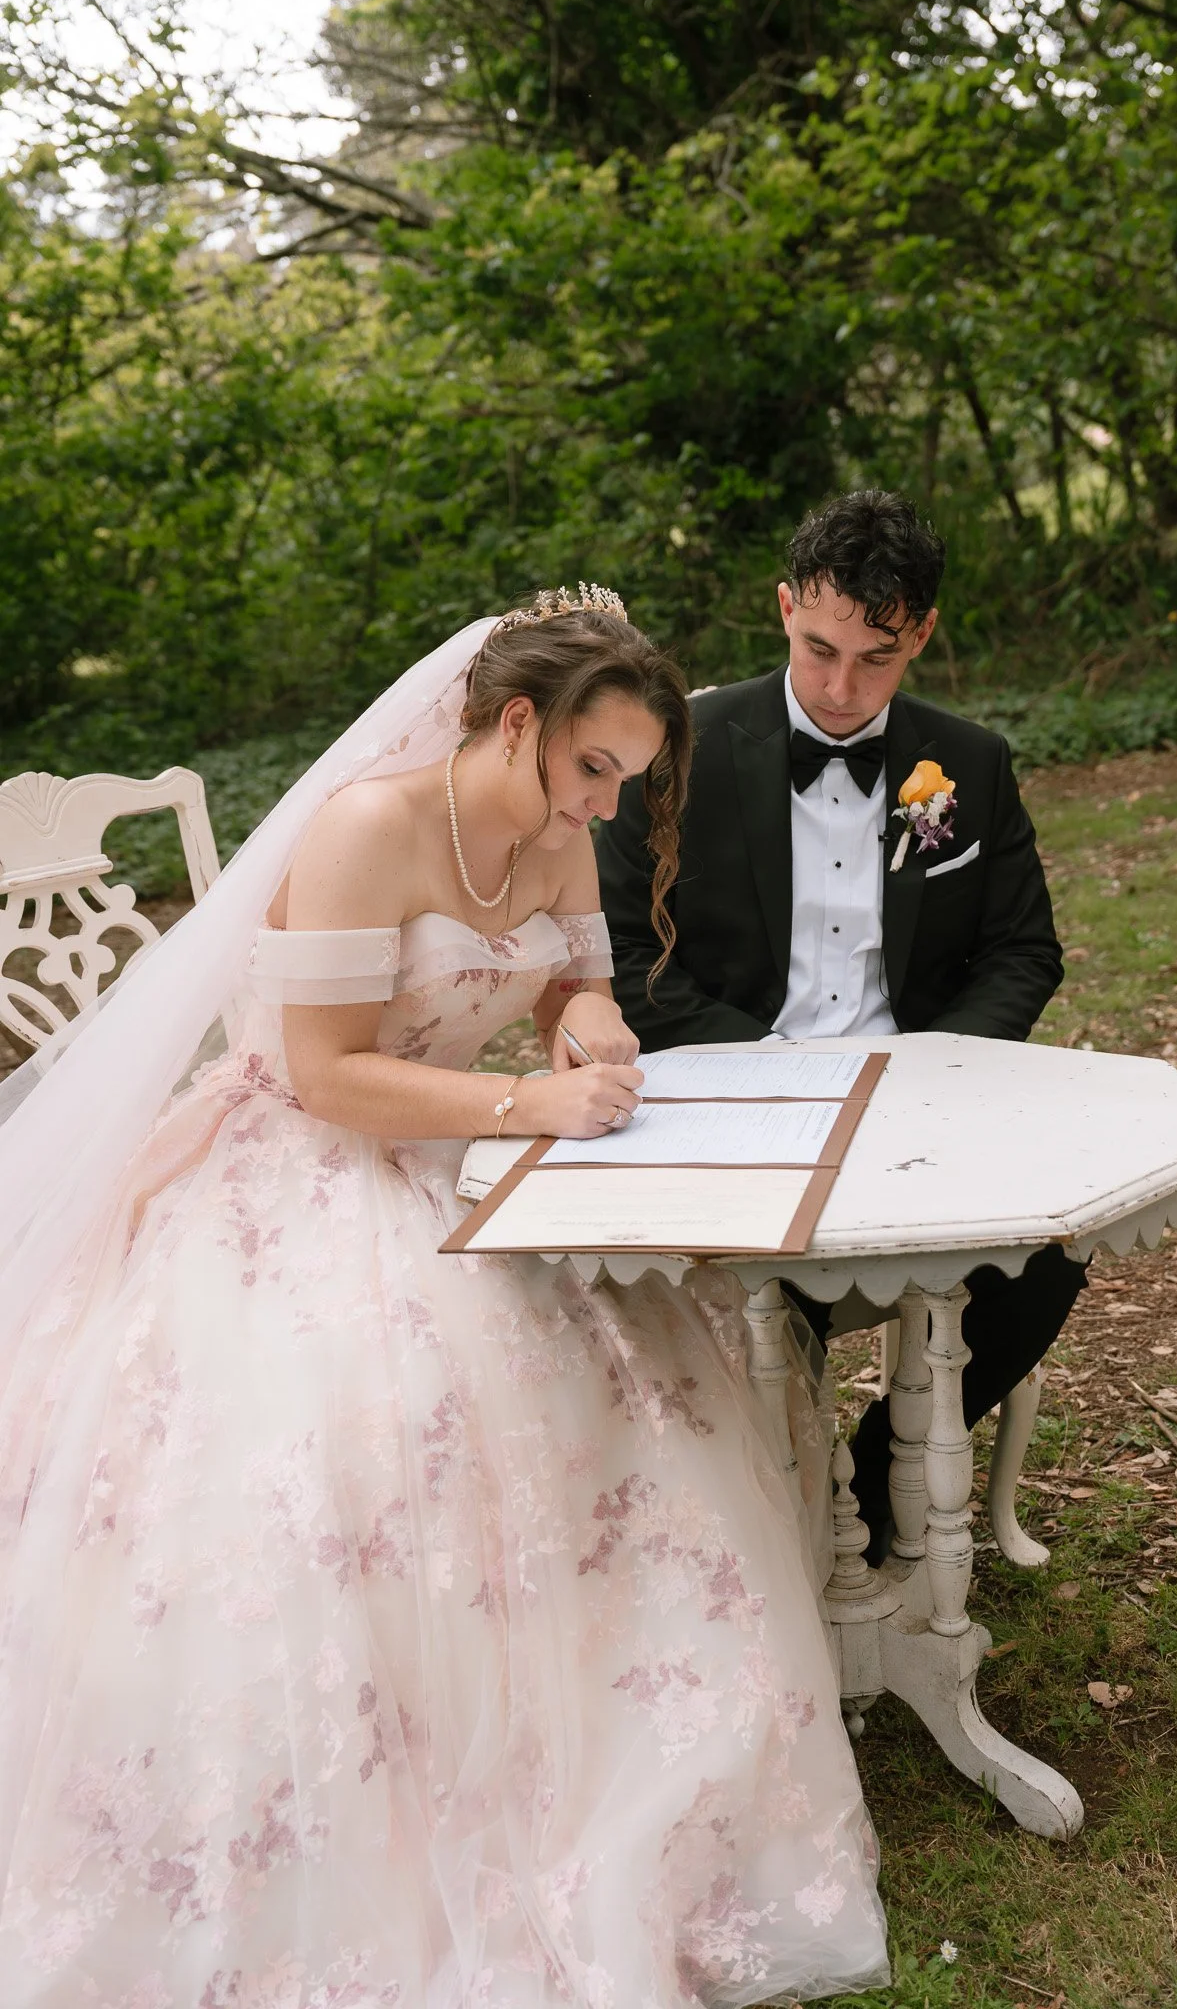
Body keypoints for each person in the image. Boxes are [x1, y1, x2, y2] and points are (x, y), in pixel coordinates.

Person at [0, 593, 888, 2006]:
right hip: (311, 1170)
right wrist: (527, 1101)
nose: (604, 809)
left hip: (482, 1151)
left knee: (632, 1370)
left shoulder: (558, 833)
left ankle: (624, 1757)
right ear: (518, 722)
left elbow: (574, 996)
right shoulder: (368, 828)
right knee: (405, 1397)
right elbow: (324, 1075)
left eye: (627, 784)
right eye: (592, 770)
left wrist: (581, 1027)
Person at [596, 492, 1087, 1561]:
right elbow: (629, 962)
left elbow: (1022, 952)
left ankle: (868, 1484)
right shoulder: (674, 751)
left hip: (916, 1097)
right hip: (735, 1095)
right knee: (779, 1292)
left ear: (922, 633)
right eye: (819, 649)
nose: (840, 688)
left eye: (877, 657)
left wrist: (924, 1066)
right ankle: (772, 1523)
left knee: (1044, 1268)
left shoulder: (968, 763)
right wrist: (771, 1068)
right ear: (782, 608)